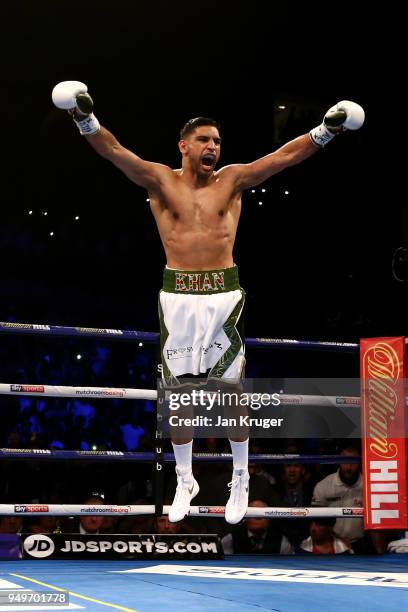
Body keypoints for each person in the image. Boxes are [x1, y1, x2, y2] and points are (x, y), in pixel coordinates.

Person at [51, 81, 365, 525]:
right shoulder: (160, 180)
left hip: (223, 296)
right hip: (178, 296)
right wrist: (83, 117)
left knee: (231, 392)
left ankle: (241, 475)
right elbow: (114, 151)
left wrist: (326, 130)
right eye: (204, 139)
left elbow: (282, 158)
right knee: (178, 396)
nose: (213, 146)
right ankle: (185, 477)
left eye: (217, 140)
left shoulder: (232, 180)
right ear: (184, 145)